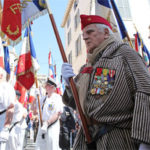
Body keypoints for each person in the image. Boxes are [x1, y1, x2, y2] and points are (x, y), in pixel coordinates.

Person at [61, 14, 150, 150]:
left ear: (106, 33)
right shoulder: (87, 68)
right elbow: (76, 104)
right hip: (88, 140)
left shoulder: (124, 54)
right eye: (83, 34)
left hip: (117, 139)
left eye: (90, 32)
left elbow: (145, 91)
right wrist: (69, 84)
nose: (84, 37)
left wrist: (145, 141)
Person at [35, 77, 63, 150]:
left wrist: (47, 123)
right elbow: (34, 109)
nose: (45, 87)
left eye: (47, 85)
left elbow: (57, 114)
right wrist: (35, 97)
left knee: (52, 147)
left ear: (52, 87)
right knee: (39, 147)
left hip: (52, 126)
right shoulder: (43, 98)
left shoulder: (57, 98)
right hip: (41, 126)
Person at [0, 67, 16, 150]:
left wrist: (6, 128)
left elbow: (10, 107)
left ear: (1, 75)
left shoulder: (6, 87)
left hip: (2, 120)